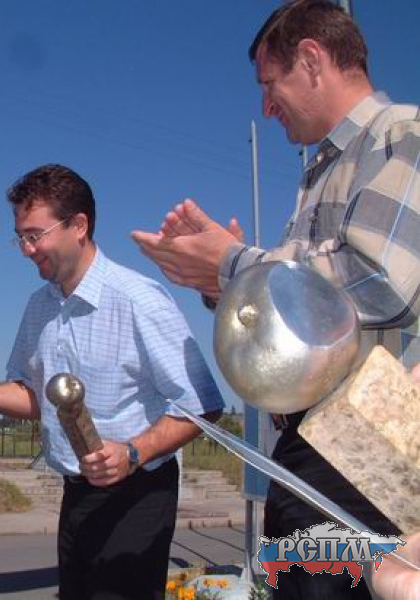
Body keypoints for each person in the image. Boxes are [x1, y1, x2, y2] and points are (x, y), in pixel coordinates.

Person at [131, 1, 420, 598]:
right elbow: (308, 320)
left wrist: (237, 263)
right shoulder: (319, 174)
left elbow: (379, 281)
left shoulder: (402, 134)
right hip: (314, 451)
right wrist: (226, 284)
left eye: (269, 84)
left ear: (311, 59)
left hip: (369, 454)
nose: (266, 106)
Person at [0, 164, 224, 600]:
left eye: (34, 235)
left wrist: (133, 453)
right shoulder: (39, 307)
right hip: (76, 494)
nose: (26, 249)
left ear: (78, 225)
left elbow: (202, 404)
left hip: (138, 493)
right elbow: (35, 398)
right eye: (20, 237)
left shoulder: (138, 299)